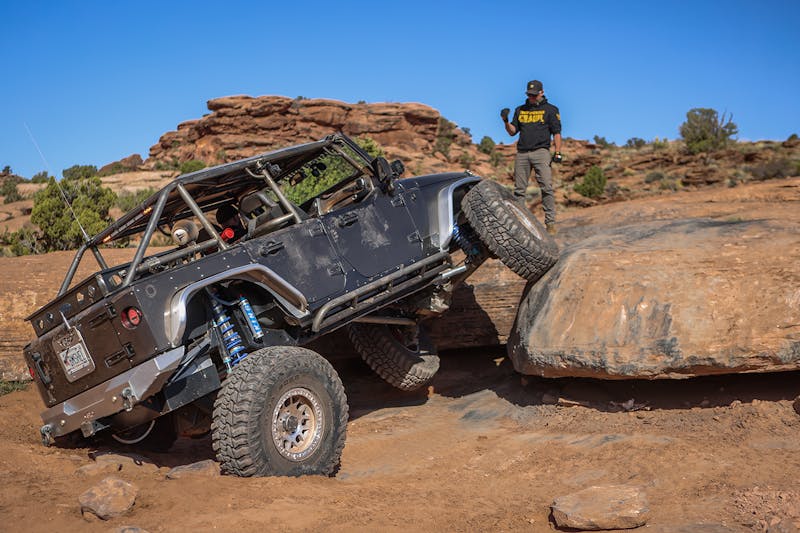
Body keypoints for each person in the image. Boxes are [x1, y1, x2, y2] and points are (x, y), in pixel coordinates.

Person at [501, 80, 562, 234]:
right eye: (529, 95)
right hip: (522, 153)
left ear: (542, 92)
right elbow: (512, 132)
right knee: (519, 191)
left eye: (534, 95)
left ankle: (550, 223)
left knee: (546, 187)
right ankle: (519, 223)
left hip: (541, 152)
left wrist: (558, 152)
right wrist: (505, 121)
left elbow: (556, 132)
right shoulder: (520, 110)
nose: (532, 97)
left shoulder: (551, 110)